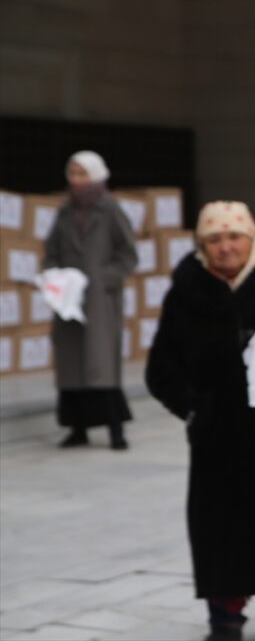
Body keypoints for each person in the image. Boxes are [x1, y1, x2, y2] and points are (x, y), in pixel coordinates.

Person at [145, 201, 255, 641]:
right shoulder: (187, 291)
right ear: (202, 246)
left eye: (233, 237)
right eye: (214, 239)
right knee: (218, 530)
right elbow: (160, 367)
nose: (225, 247)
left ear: (252, 238)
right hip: (217, 438)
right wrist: (193, 409)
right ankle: (224, 619)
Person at [44, 151, 138, 450]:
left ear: (97, 174)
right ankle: (77, 428)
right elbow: (52, 252)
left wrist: (103, 279)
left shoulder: (109, 210)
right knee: (72, 366)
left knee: (101, 366)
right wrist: (54, 277)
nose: (76, 179)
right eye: (72, 173)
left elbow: (128, 255)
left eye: (82, 173)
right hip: (69, 302)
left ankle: (115, 429)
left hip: (100, 302)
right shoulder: (64, 212)